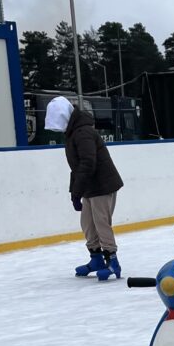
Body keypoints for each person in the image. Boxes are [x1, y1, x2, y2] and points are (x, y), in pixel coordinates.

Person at [44, 95, 124, 281]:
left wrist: (76, 192)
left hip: (102, 185)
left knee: (101, 223)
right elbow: (77, 167)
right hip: (90, 186)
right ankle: (96, 259)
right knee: (87, 223)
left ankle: (113, 261)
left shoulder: (83, 133)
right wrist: (75, 193)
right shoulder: (74, 132)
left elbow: (88, 163)